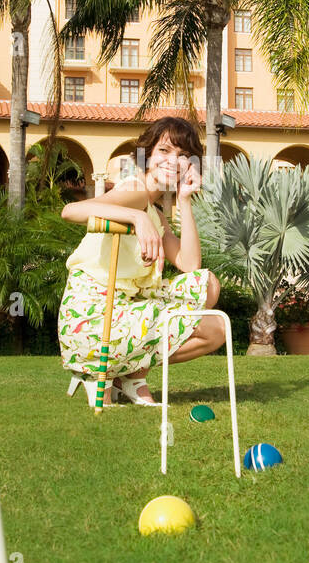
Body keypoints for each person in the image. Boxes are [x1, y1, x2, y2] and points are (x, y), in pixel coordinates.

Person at [58, 117, 224, 406]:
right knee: (213, 324)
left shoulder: (156, 213)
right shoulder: (134, 191)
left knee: (208, 293)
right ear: (147, 155)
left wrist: (184, 200)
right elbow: (70, 211)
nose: (174, 161)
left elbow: (190, 265)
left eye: (184, 155)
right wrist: (135, 217)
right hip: (94, 318)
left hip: (125, 310)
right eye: (165, 151)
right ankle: (102, 371)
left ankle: (129, 375)